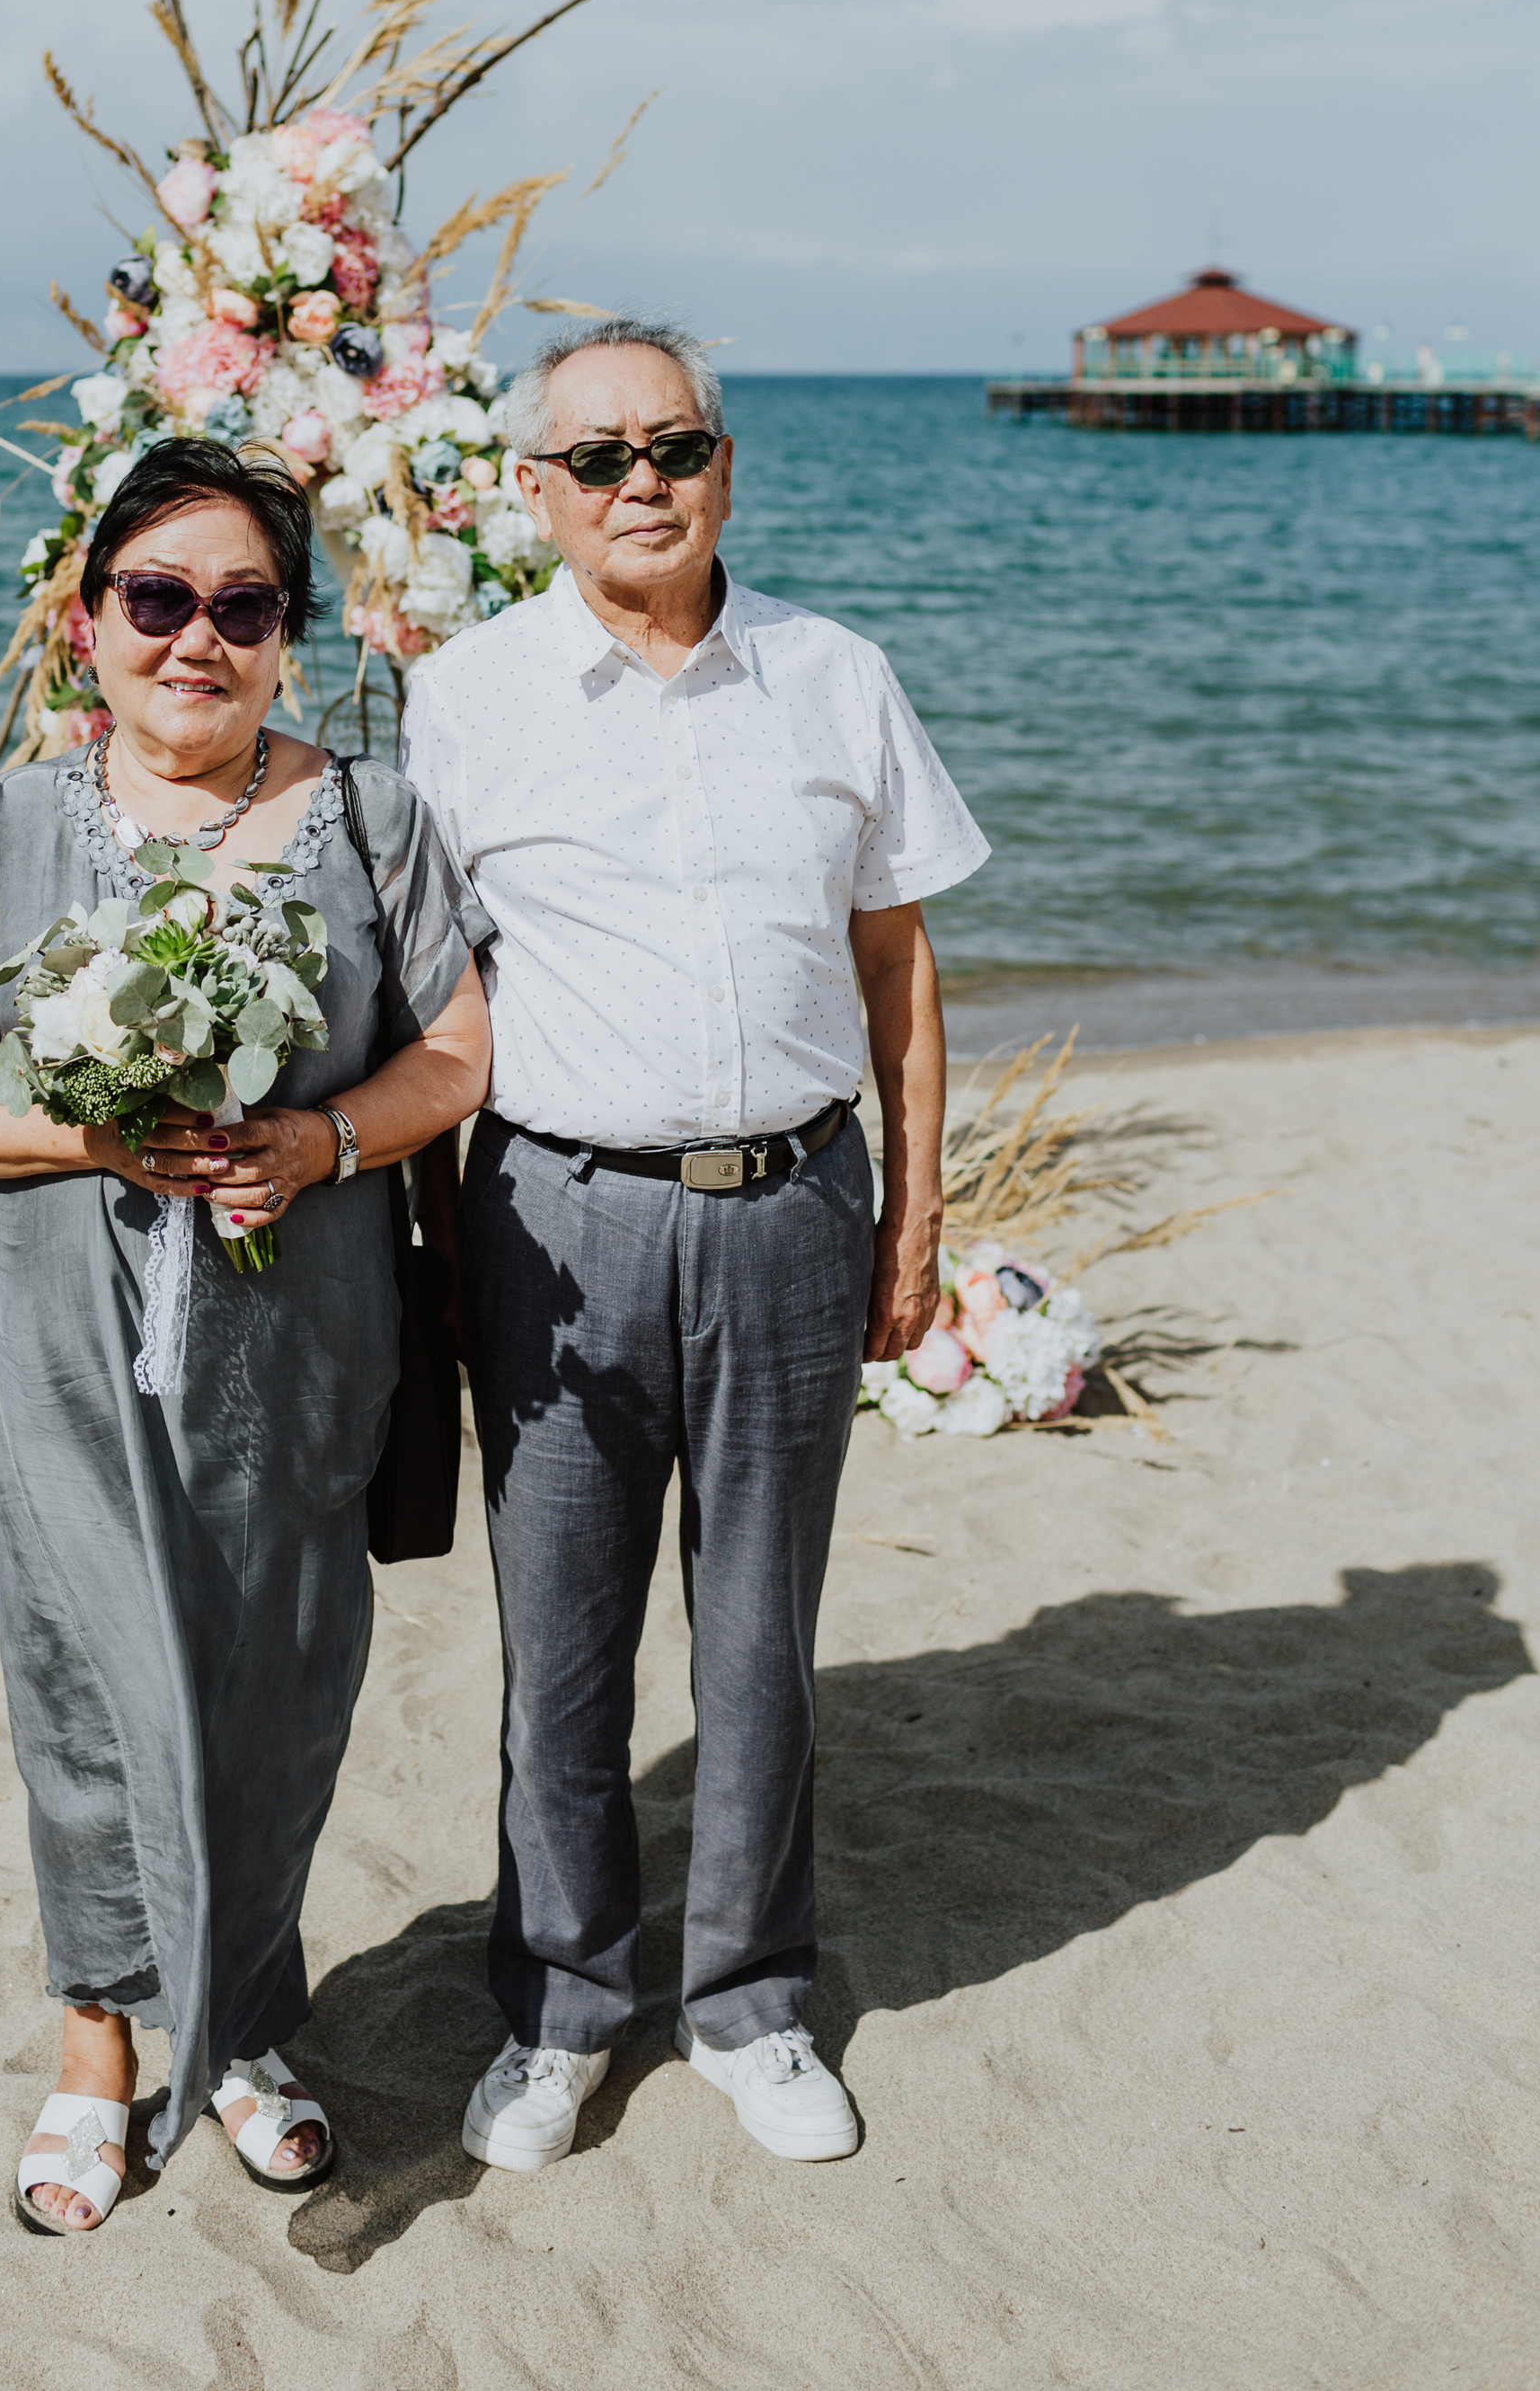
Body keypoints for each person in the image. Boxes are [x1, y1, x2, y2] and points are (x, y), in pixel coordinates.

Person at [0, 437, 491, 2236]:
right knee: (83, 1691)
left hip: (300, 1354)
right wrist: (89, 1135)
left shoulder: (374, 822)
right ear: (89, 625)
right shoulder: (10, 832)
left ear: (288, 636)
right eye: (157, 598)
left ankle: (239, 2029)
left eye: (241, 606)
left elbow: (460, 1052)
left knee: (279, 1687)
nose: (195, 639)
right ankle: (96, 2055)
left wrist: (324, 1140)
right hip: (71, 1356)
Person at [399, 321, 987, 2175]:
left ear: (723, 465)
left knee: (760, 1648)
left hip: (797, 1213)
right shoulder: (460, 700)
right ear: (535, 491)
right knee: (562, 1657)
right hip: (554, 1227)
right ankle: (562, 2011)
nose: (637, 482)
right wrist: (426, 1252)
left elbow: (896, 966)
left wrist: (914, 1211)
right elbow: (426, 1001)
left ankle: (747, 2001)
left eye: (670, 447)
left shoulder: (835, 675)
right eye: (596, 458)